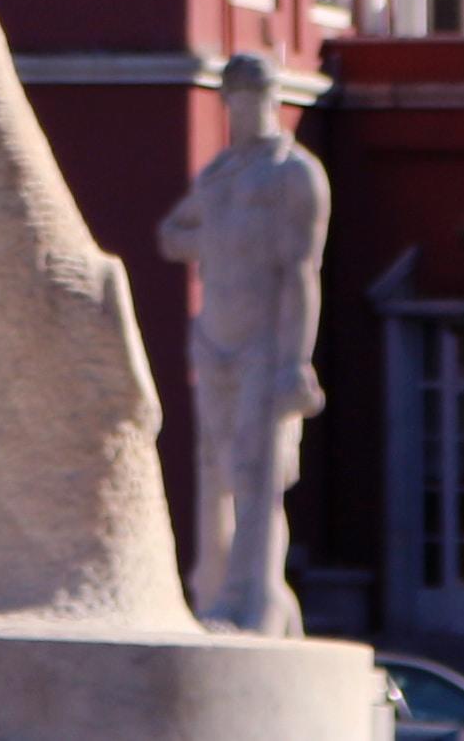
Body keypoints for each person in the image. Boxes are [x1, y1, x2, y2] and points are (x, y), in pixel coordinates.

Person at [158, 55, 328, 636]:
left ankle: (255, 597)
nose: (248, 106)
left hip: (263, 341)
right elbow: (170, 235)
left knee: (258, 473)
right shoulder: (221, 173)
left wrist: (295, 361)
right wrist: (218, 236)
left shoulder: (294, 174)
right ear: (228, 101)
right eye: (237, 96)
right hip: (215, 338)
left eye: (258, 94)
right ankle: (215, 589)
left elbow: (303, 272)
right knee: (215, 470)